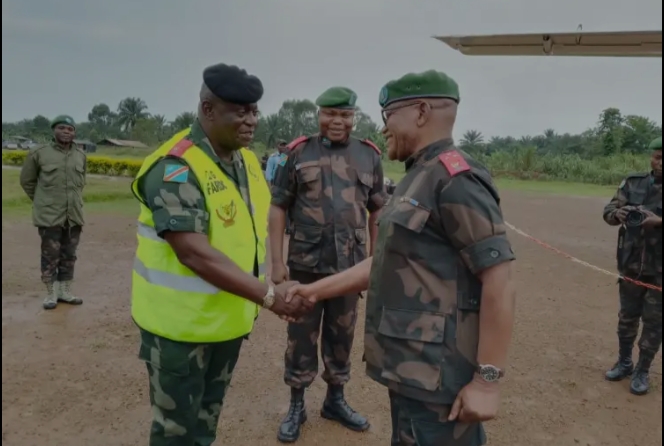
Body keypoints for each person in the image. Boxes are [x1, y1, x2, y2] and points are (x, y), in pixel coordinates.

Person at [286, 71, 517, 446]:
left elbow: (500, 280)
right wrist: (313, 291)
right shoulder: (418, 174)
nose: (383, 128)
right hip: (412, 371)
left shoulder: (455, 178)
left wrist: (487, 382)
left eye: (388, 116)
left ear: (421, 112)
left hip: (441, 377)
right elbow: (384, 260)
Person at [129, 63, 313, 446]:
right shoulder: (175, 167)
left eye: (254, 112)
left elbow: (252, 230)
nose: (251, 121)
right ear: (208, 109)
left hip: (224, 325)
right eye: (240, 112)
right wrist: (268, 297)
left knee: (205, 425)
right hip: (178, 333)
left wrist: (277, 275)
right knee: (176, 434)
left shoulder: (245, 160)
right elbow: (194, 254)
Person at [269, 86, 388, 443]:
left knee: (342, 335)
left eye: (345, 115)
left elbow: (378, 209)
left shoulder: (369, 157)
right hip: (305, 266)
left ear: (354, 117)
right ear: (318, 114)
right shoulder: (299, 153)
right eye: (330, 114)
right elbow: (278, 207)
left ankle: (335, 401)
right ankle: (296, 405)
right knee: (300, 337)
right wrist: (276, 264)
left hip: (348, 268)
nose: (337, 121)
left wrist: (375, 261)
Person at [603, 136, 662, 396]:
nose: (661, 162)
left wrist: (659, 222)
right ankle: (625, 362)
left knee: (654, 322)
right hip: (631, 265)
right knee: (626, 318)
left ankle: (642, 370)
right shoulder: (633, 182)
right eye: (658, 156)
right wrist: (618, 214)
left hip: (660, 272)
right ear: (651, 157)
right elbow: (608, 210)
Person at [19, 115, 86, 310]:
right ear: (53, 130)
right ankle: (50, 294)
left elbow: (80, 183)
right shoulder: (39, 153)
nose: (66, 131)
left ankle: (65, 291)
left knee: (69, 254)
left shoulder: (80, 155)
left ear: (74, 132)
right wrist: (42, 201)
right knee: (50, 255)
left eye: (70, 129)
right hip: (49, 215)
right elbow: (27, 181)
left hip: (73, 214)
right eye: (62, 128)